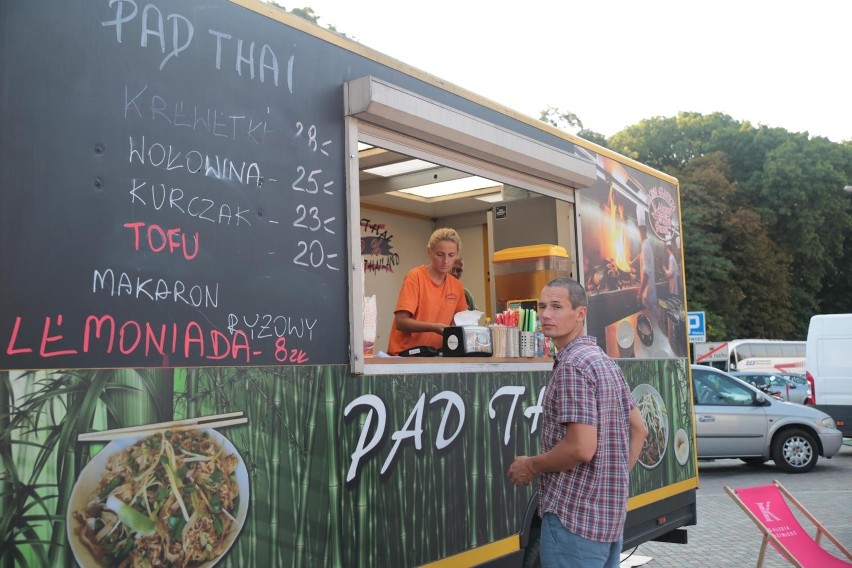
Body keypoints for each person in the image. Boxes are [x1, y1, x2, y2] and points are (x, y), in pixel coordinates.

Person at [507, 278, 648, 568]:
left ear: (580, 314)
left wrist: (531, 465)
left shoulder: (573, 366)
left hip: (573, 521)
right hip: (607, 520)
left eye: (557, 307)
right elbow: (640, 429)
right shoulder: (604, 361)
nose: (546, 314)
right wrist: (609, 480)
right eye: (542, 306)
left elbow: (581, 448)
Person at [386, 228, 468, 355]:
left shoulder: (457, 286)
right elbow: (401, 322)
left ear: (457, 255)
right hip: (405, 355)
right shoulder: (415, 277)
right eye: (440, 255)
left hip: (436, 355)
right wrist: (433, 327)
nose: (446, 261)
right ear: (430, 251)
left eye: (451, 255)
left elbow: (464, 322)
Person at [636, 224, 657, 312]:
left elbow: (646, 272)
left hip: (648, 294)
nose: (639, 234)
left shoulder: (645, 245)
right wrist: (640, 257)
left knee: (651, 319)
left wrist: (640, 293)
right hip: (649, 294)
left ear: (643, 231)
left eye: (639, 231)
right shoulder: (646, 244)